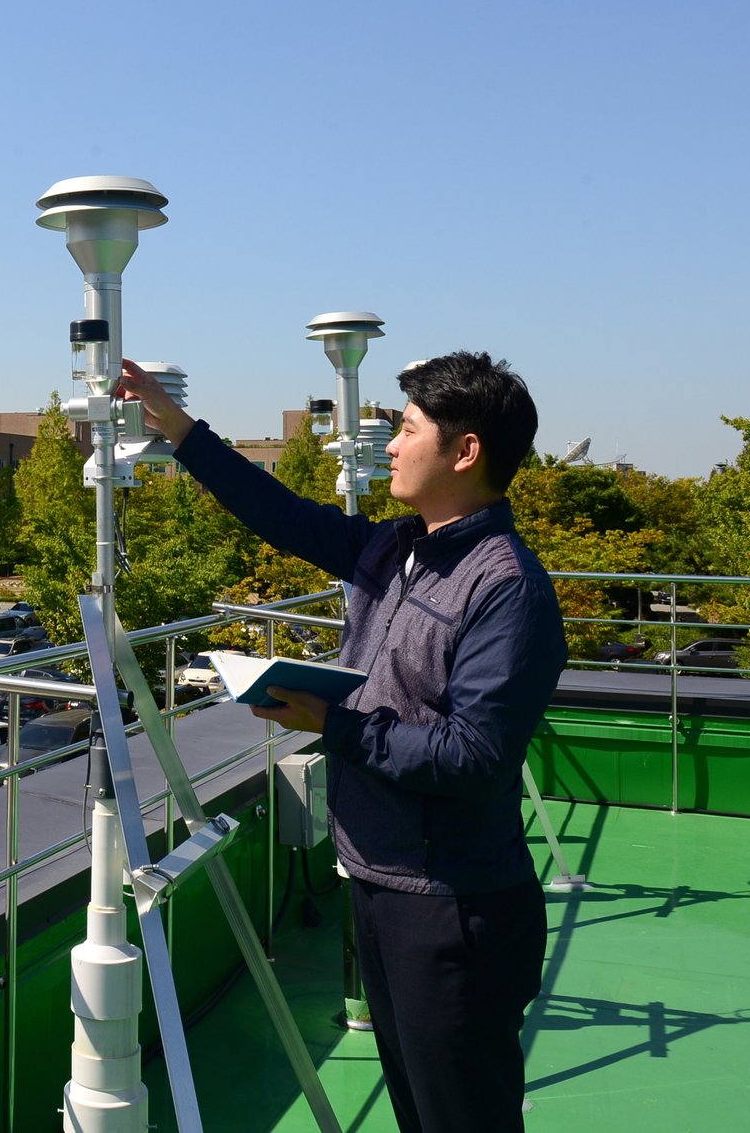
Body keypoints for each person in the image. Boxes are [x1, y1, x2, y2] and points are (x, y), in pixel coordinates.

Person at [118, 351, 565, 1133]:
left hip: (453, 905)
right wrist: (181, 432)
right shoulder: (397, 549)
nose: (389, 446)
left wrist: (331, 723)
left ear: (464, 452)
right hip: (379, 880)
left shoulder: (507, 586)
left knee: (462, 1115)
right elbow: (282, 515)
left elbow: (474, 757)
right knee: (417, 1107)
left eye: (409, 430)